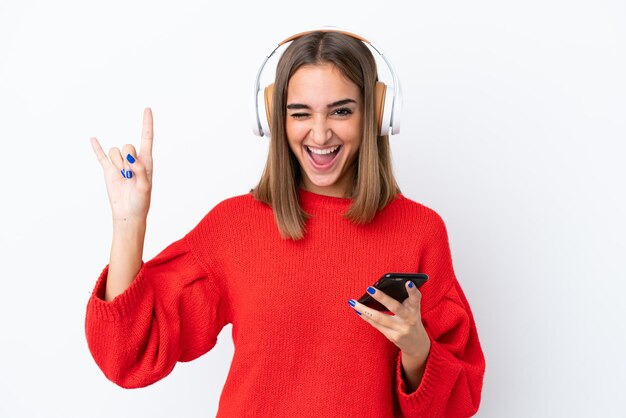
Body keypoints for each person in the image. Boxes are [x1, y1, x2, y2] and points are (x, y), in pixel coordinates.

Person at [85, 29, 486, 417]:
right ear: (274, 118)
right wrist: (129, 223)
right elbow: (126, 356)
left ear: (377, 115)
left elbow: (457, 402)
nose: (320, 132)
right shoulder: (234, 226)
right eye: (300, 113)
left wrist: (417, 349)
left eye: (341, 111)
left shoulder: (420, 231)